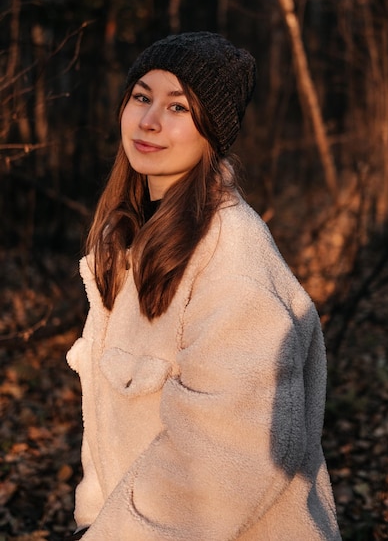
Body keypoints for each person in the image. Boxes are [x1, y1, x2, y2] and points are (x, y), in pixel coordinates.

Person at [66, 31, 341, 540]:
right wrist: (93, 520)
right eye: (142, 97)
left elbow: (224, 459)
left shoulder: (231, 259)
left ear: (212, 131)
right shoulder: (126, 239)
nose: (149, 121)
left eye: (179, 108)